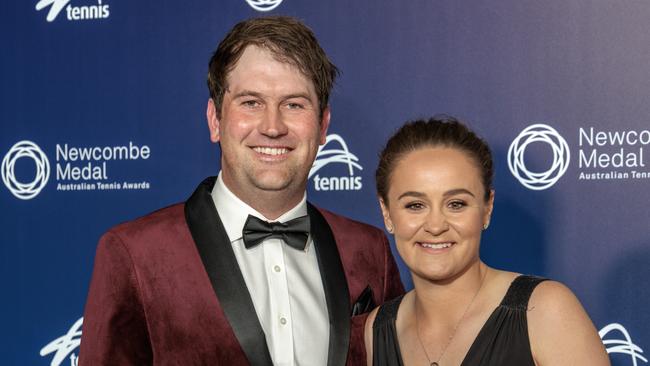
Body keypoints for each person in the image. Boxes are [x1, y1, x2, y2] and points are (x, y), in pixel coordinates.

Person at [79, 16, 404, 366]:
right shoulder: (134, 254)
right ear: (215, 120)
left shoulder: (368, 251)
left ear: (323, 125)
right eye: (251, 103)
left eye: (294, 104)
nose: (273, 126)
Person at [364, 117, 610, 366]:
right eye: (415, 205)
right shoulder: (375, 330)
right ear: (387, 213)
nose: (436, 225)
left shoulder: (545, 311)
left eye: (456, 204)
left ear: (486, 208)